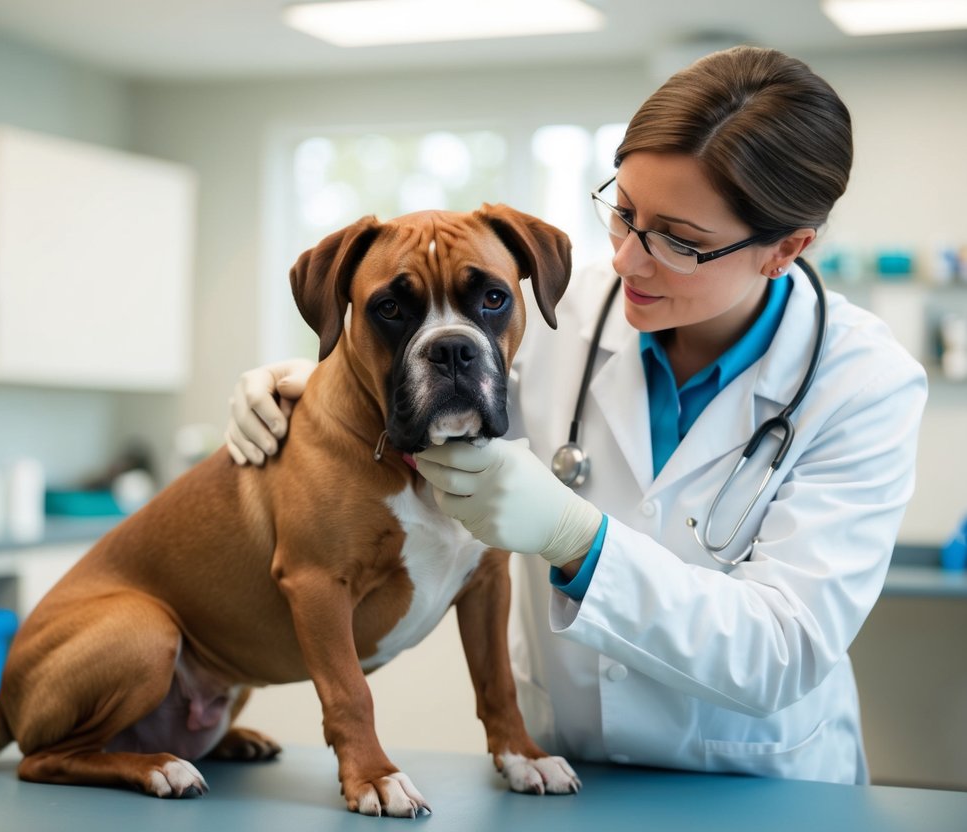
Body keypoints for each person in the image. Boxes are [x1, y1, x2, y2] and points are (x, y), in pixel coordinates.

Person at [223, 46, 927, 785]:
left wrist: (576, 539)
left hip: (756, 779)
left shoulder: (864, 386)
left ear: (786, 249)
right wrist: (310, 380)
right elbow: (442, 385)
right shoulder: (573, 309)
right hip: (567, 764)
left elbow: (781, 649)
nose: (626, 259)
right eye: (622, 212)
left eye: (679, 242)